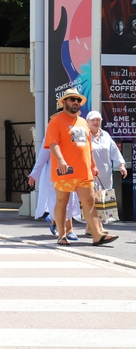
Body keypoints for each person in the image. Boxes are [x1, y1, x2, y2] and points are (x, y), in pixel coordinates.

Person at [44, 88, 119, 246]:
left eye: (78, 100)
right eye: (72, 99)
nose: (76, 102)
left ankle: (97, 235)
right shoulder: (56, 121)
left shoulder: (83, 122)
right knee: (62, 201)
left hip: (84, 171)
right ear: (64, 102)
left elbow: (88, 146)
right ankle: (62, 235)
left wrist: (93, 165)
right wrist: (61, 160)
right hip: (65, 170)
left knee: (90, 201)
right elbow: (53, 144)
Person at [28, 105, 80, 240]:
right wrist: (35, 174)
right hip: (55, 172)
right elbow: (43, 154)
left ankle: (64, 226)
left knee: (70, 199)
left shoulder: (78, 128)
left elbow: (81, 149)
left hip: (72, 170)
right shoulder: (52, 130)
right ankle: (64, 228)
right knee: (59, 199)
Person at [85, 110, 128, 234]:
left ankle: (94, 226)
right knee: (91, 200)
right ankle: (94, 227)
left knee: (102, 200)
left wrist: (121, 165)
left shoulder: (106, 135)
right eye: (93, 120)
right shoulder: (85, 135)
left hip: (105, 173)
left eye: (98, 120)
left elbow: (115, 151)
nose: (96, 122)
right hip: (89, 173)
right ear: (87, 122)